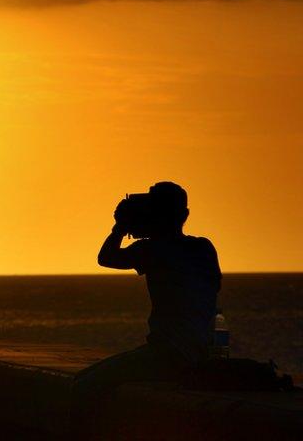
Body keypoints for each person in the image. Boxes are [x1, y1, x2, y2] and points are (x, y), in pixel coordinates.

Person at [71, 182, 221, 430]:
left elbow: (106, 258)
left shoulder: (153, 249)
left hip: (169, 355)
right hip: (200, 351)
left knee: (84, 384)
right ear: (184, 216)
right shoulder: (203, 247)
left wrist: (120, 226)